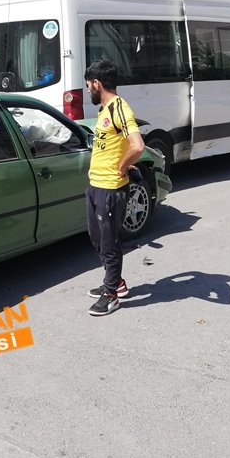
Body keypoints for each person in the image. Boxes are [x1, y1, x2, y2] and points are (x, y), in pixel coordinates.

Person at [84, 60, 145, 317]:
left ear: (98, 83)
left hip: (111, 188)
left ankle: (111, 295)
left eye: (88, 86)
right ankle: (116, 282)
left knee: (109, 242)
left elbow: (138, 145)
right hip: (96, 185)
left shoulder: (119, 108)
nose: (88, 91)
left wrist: (123, 165)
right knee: (97, 239)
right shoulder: (105, 110)